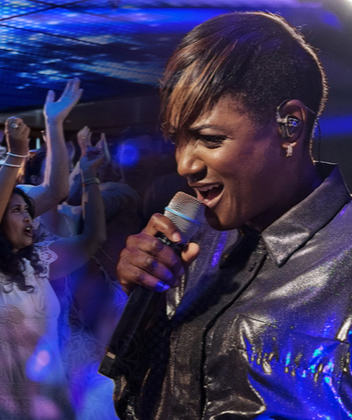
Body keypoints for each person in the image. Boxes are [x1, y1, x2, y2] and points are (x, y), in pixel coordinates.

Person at [111, 12, 352, 418]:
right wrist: (145, 310)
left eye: (209, 139)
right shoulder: (190, 245)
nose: (184, 164)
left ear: (290, 126)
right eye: (177, 139)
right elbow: (134, 403)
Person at [0, 116, 106, 420]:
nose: (27, 217)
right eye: (16, 210)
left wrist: (89, 175)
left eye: (27, 211)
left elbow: (93, 239)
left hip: (43, 402)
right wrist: (15, 154)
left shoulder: (37, 262)